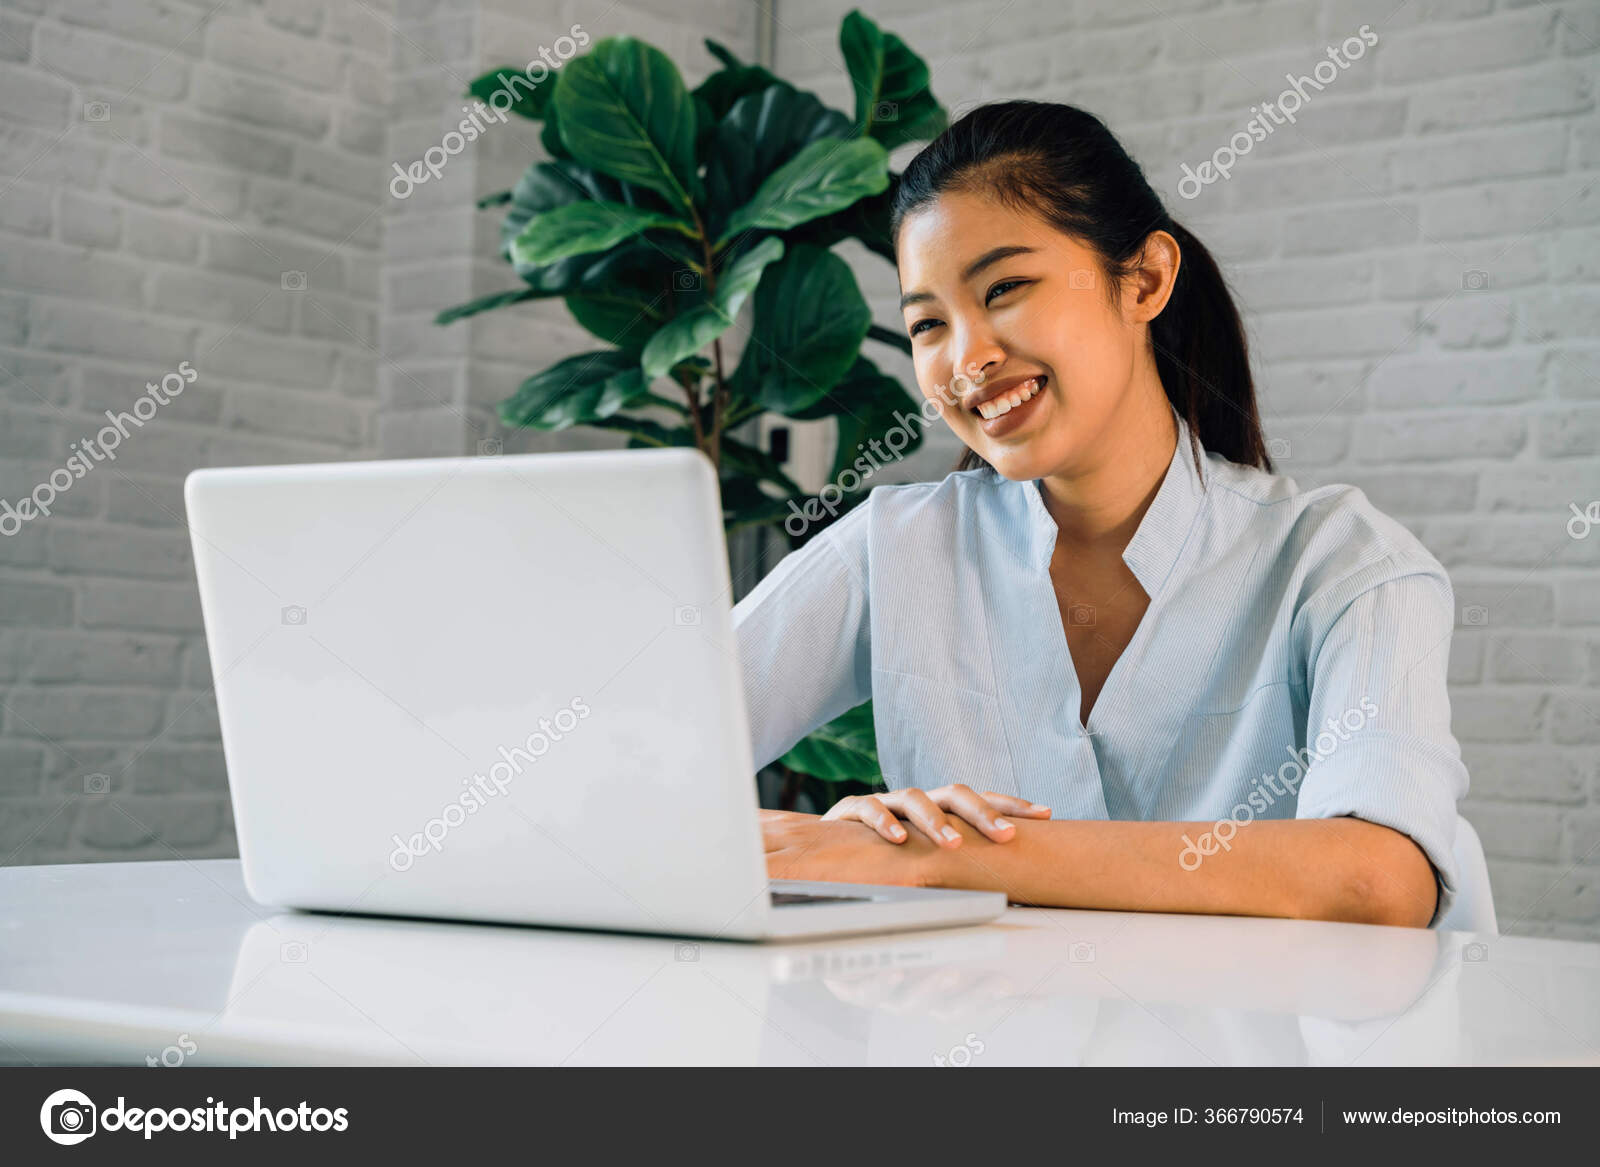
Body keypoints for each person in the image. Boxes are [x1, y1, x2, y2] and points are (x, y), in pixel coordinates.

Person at [737, 101, 1467, 928]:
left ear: (1146, 279)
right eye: (928, 324)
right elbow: (630, 746)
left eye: (1005, 287)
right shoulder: (895, 547)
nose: (967, 358)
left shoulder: (1343, 561)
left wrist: (942, 858)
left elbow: (1377, 881)